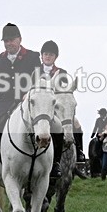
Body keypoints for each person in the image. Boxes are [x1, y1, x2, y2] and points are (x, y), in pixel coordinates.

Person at [0, 23, 41, 182]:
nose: (9, 44)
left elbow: (39, 79)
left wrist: (29, 92)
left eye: (12, 40)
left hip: (26, 101)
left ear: (20, 39)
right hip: (4, 102)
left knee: (46, 123)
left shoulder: (33, 57)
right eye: (6, 41)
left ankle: (52, 164)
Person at [39, 39, 84, 179]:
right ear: (41, 56)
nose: (48, 56)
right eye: (45, 54)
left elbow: (64, 92)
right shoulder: (35, 70)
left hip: (57, 107)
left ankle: (79, 152)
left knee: (76, 124)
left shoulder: (61, 72)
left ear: (55, 57)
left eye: (51, 55)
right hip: (40, 108)